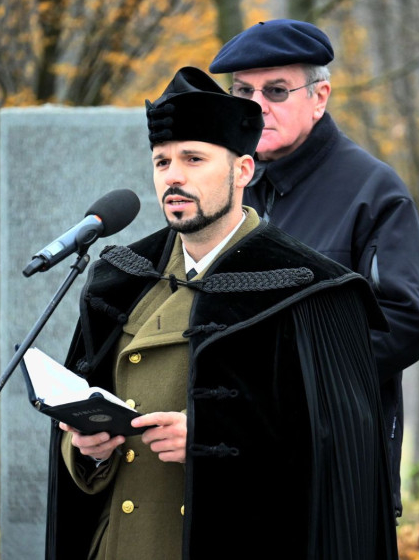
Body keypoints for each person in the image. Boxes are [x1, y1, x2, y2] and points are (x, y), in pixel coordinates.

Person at [44, 66, 398, 560]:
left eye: (193, 158)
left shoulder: (310, 288)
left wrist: (214, 439)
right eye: (162, 161)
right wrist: (89, 449)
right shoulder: (119, 280)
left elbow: (340, 454)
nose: (174, 176)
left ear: (243, 171)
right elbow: (81, 415)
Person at [209, 19, 419, 519]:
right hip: (230, 464)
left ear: (319, 97)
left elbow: (400, 327)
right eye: (242, 92)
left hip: (332, 469)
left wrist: (280, 379)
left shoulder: (374, 191)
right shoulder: (226, 188)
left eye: (276, 90)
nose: (256, 106)